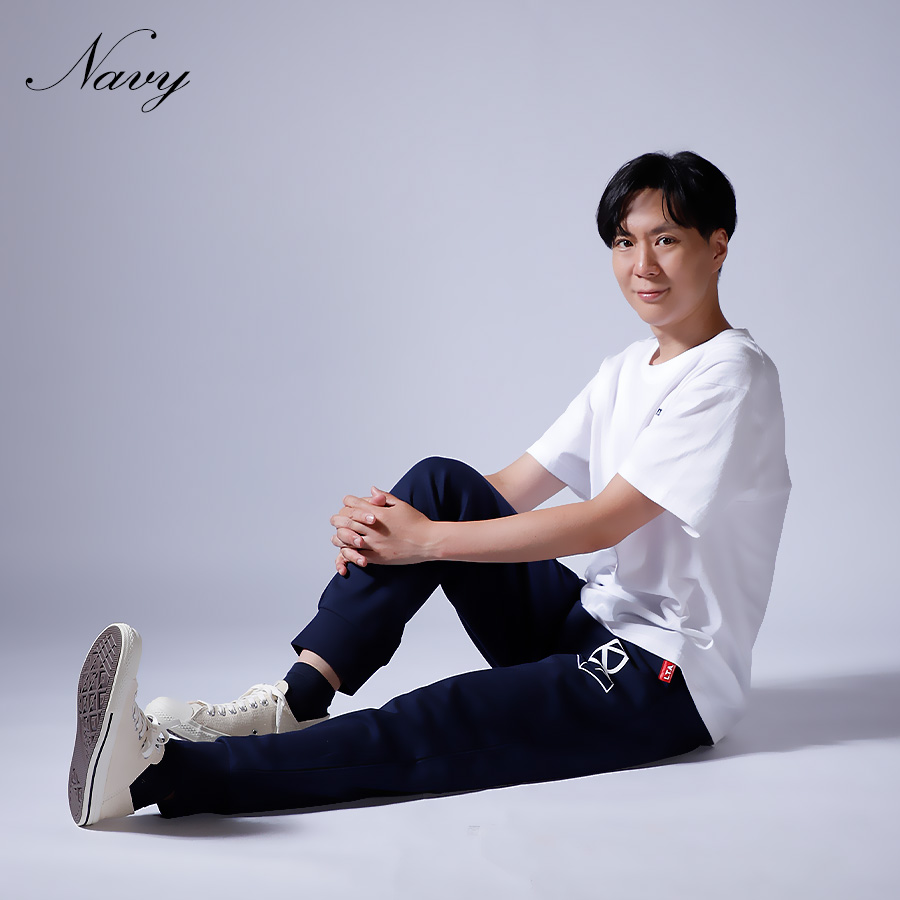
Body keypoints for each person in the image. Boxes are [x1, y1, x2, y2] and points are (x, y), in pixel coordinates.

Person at [68, 150, 791, 827]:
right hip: (589, 621)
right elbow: (506, 488)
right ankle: (295, 698)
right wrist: (389, 525)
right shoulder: (627, 369)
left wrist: (426, 542)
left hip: (664, 675)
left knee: (444, 717)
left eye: (665, 240)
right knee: (438, 482)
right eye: (624, 243)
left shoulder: (732, 372)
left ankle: (160, 777)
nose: (642, 265)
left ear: (717, 247)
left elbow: (606, 521)